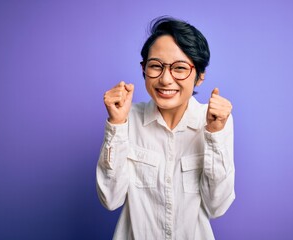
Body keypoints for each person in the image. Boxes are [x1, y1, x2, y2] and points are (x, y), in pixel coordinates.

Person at [96, 16, 235, 240]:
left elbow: (217, 207)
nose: (165, 79)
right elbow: (111, 200)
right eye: (155, 66)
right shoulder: (126, 118)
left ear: (199, 76)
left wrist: (215, 134)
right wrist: (117, 125)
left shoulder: (215, 121)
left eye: (179, 68)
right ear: (144, 69)